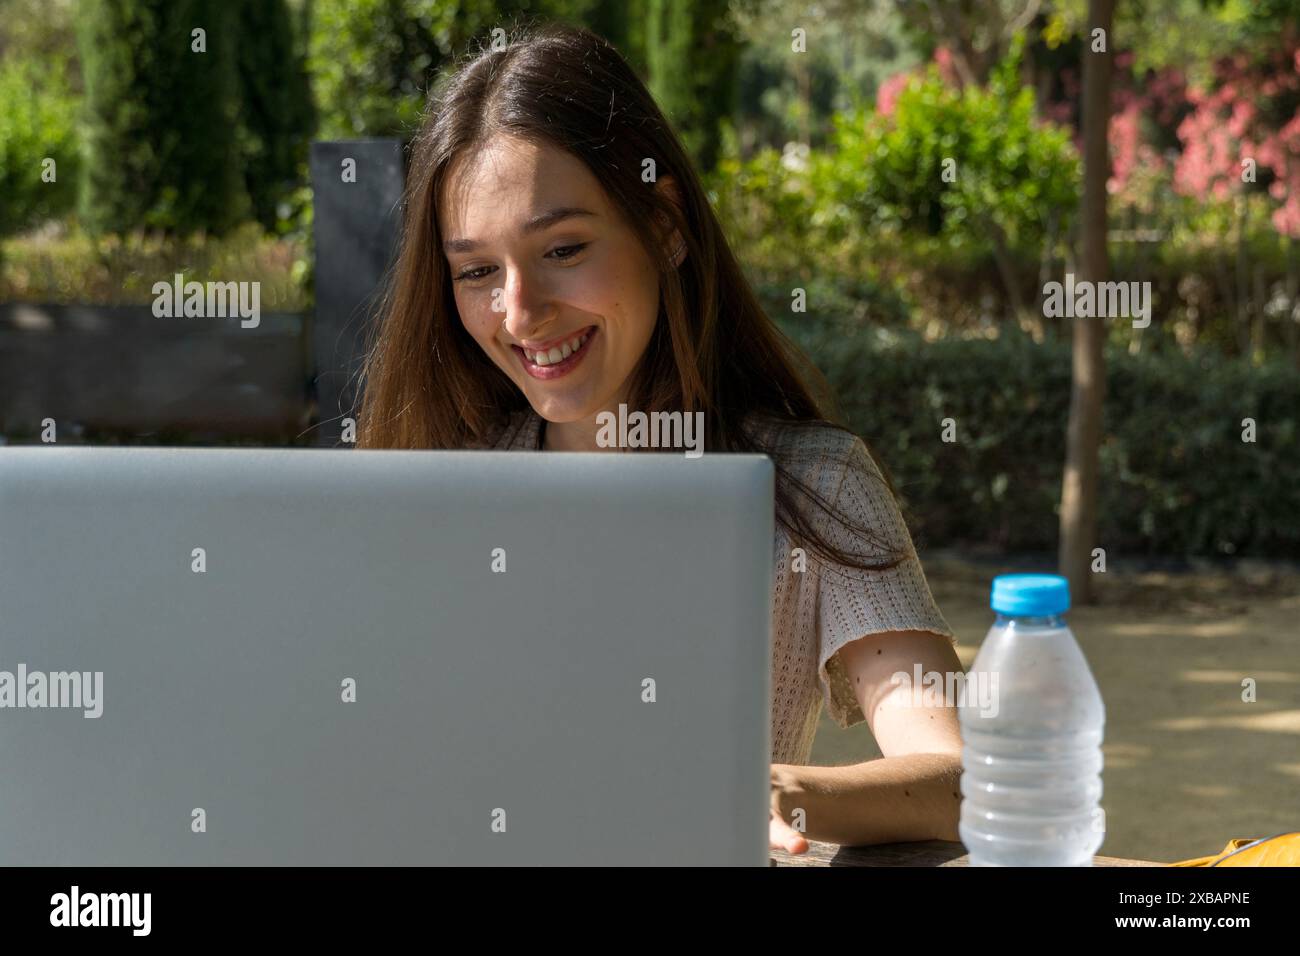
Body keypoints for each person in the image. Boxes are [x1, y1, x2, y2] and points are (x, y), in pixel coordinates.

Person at [357, 21, 965, 854]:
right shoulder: (438, 486)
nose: (520, 312)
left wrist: (769, 793)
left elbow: (956, 781)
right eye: (476, 272)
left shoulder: (812, 485)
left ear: (666, 225)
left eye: (563, 248)